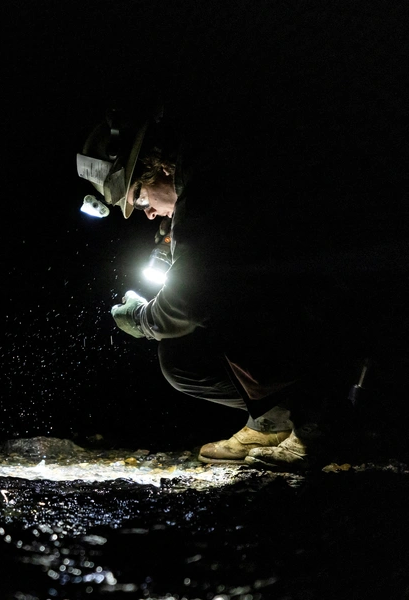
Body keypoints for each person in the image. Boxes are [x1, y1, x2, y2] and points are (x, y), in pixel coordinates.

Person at [77, 103, 401, 469]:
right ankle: (275, 421)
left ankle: (323, 423)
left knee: (222, 305)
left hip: (346, 296)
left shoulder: (214, 179)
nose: (147, 212)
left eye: (138, 198)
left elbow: (193, 299)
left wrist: (142, 319)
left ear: (157, 166)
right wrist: (171, 247)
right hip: (316, 294)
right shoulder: (197, 176)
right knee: (180, 355)